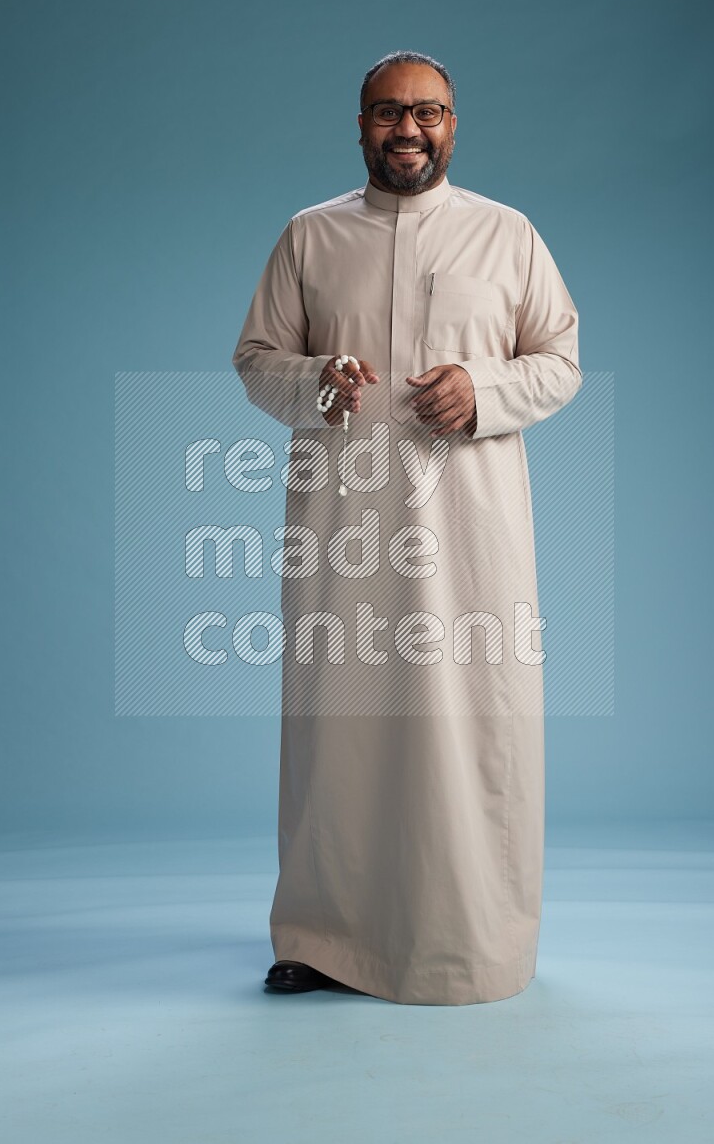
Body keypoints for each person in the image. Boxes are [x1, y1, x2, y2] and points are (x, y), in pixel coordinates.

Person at [232, 50, 582, 1005]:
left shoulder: (506, 236)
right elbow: (257, 358)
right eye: (388, 113)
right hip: (343, 525)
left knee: (473, 721)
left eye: (428, 112)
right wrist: (316, 382)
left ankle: (477, 936)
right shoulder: (311, 235)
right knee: (336, 725)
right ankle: (321, 934)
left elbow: (560, 359)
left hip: (469, 530)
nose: (408, 130)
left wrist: (487, 388)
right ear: (359, 127)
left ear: (454, 126)